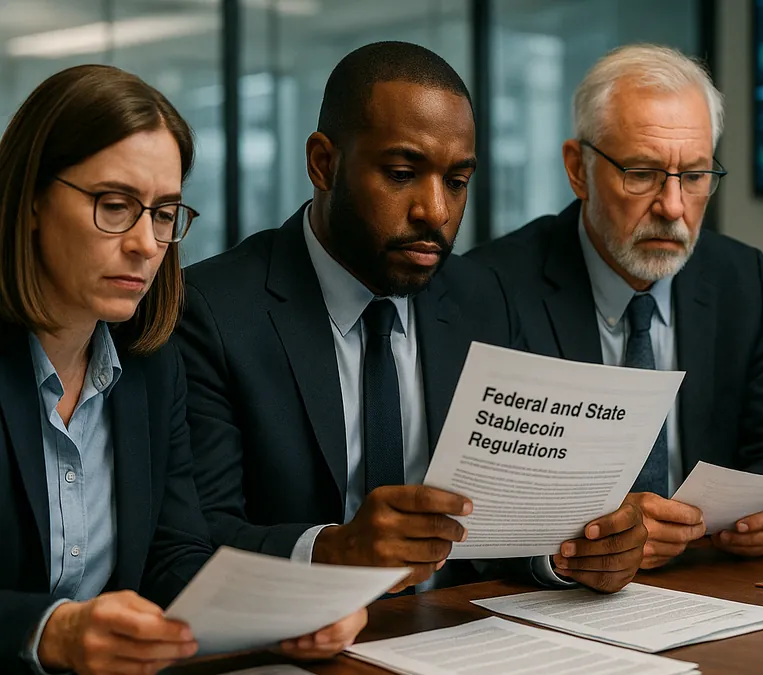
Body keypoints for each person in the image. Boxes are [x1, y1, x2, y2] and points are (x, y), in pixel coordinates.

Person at [177, 42, 645, 594]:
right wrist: (333, 550)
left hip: (454, 633)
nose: (437, 212)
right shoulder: (212, 310)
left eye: (456, 181)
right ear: (323, 164)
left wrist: (572, 553)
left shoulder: (480, 298)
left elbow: (504, 520)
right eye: (402, 173)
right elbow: (193, 542)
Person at [0, 65, 364, 675]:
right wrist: (49, 631)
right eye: (115, 206)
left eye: (164, 213)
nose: (146, 242)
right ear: (32, 200)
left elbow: (172, 556)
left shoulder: (151, 362)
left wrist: (283, 610)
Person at [467, 44, 763, 570]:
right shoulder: (493, 286)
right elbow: (483, 501)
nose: (673, 206)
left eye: (695, 176)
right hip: (556, 605)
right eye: (642, 173)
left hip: (710, 587)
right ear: (578, 170)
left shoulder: (736, 277)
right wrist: (594, 534)